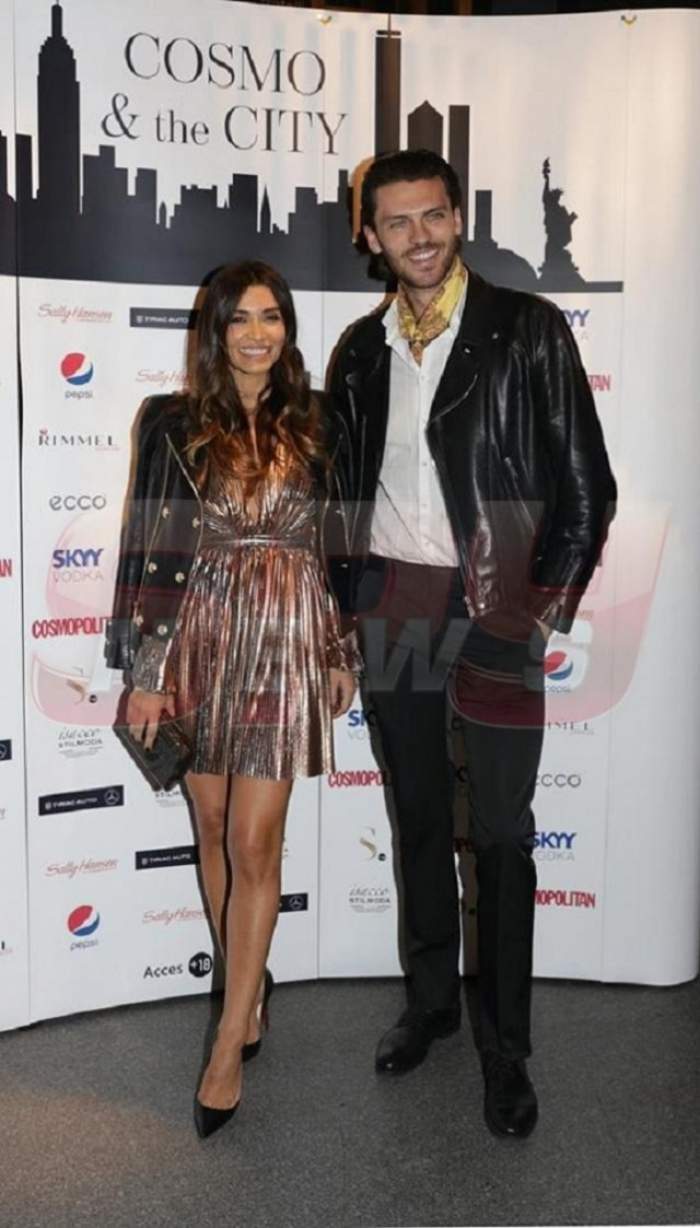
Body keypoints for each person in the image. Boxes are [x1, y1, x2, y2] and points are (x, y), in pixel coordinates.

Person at [325, 149, 616, 1139]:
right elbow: (341, 492)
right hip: (393, 602)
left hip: (496, 604)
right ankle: (431, 1005)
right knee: (415, 815)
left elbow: (587, 486)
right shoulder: (361, 352)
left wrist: (540, 609)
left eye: (433, 215)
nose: (419, 236)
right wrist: (346, 603)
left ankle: (505, 1045)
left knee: (498, 832)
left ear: (458, 216)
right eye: (396, 221)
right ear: (370, 235)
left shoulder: (525, 328)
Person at [105, 261, 359, 1139]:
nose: (258, 333)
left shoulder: (323, 419)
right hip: (199, 632)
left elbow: (341, 543)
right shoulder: (168, 420)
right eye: (240, 319)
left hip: (287, 632)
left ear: (287, 327)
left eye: (272, 316)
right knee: (211, 825)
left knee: (255, 840)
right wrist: (145, 669)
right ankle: (247, 993)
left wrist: (341, 648)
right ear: (214, 332)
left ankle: (226, 1042)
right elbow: (144, 543)